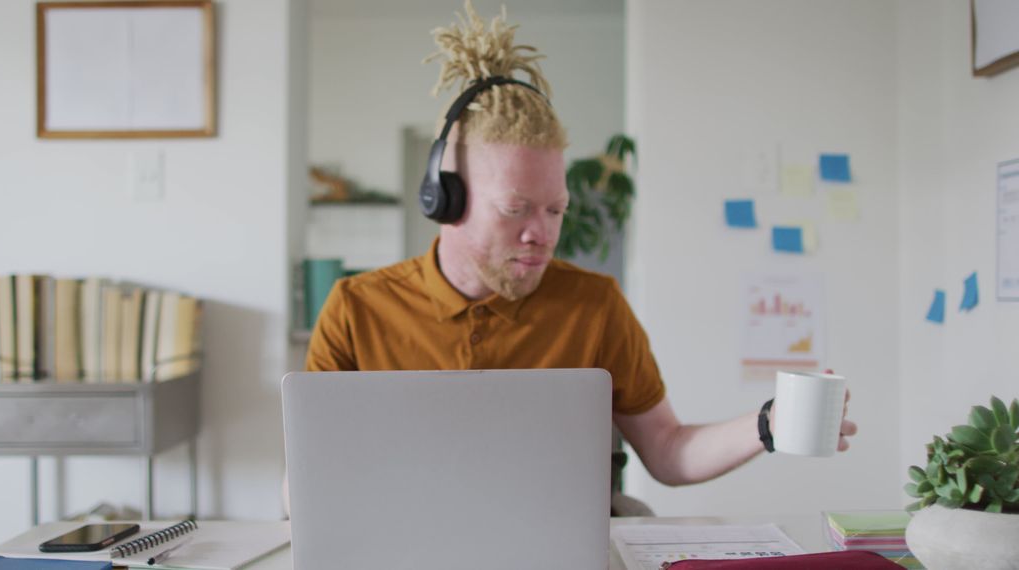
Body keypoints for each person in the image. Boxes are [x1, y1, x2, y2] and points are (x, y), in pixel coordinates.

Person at [287, 1, 856, 515]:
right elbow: (309, 475)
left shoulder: (595, 305)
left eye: (555, 210)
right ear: (445, 199)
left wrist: (768, 424)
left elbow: (668, 452)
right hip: (402, 537)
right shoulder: (357, 306)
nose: (542, 233)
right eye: (516, 209)